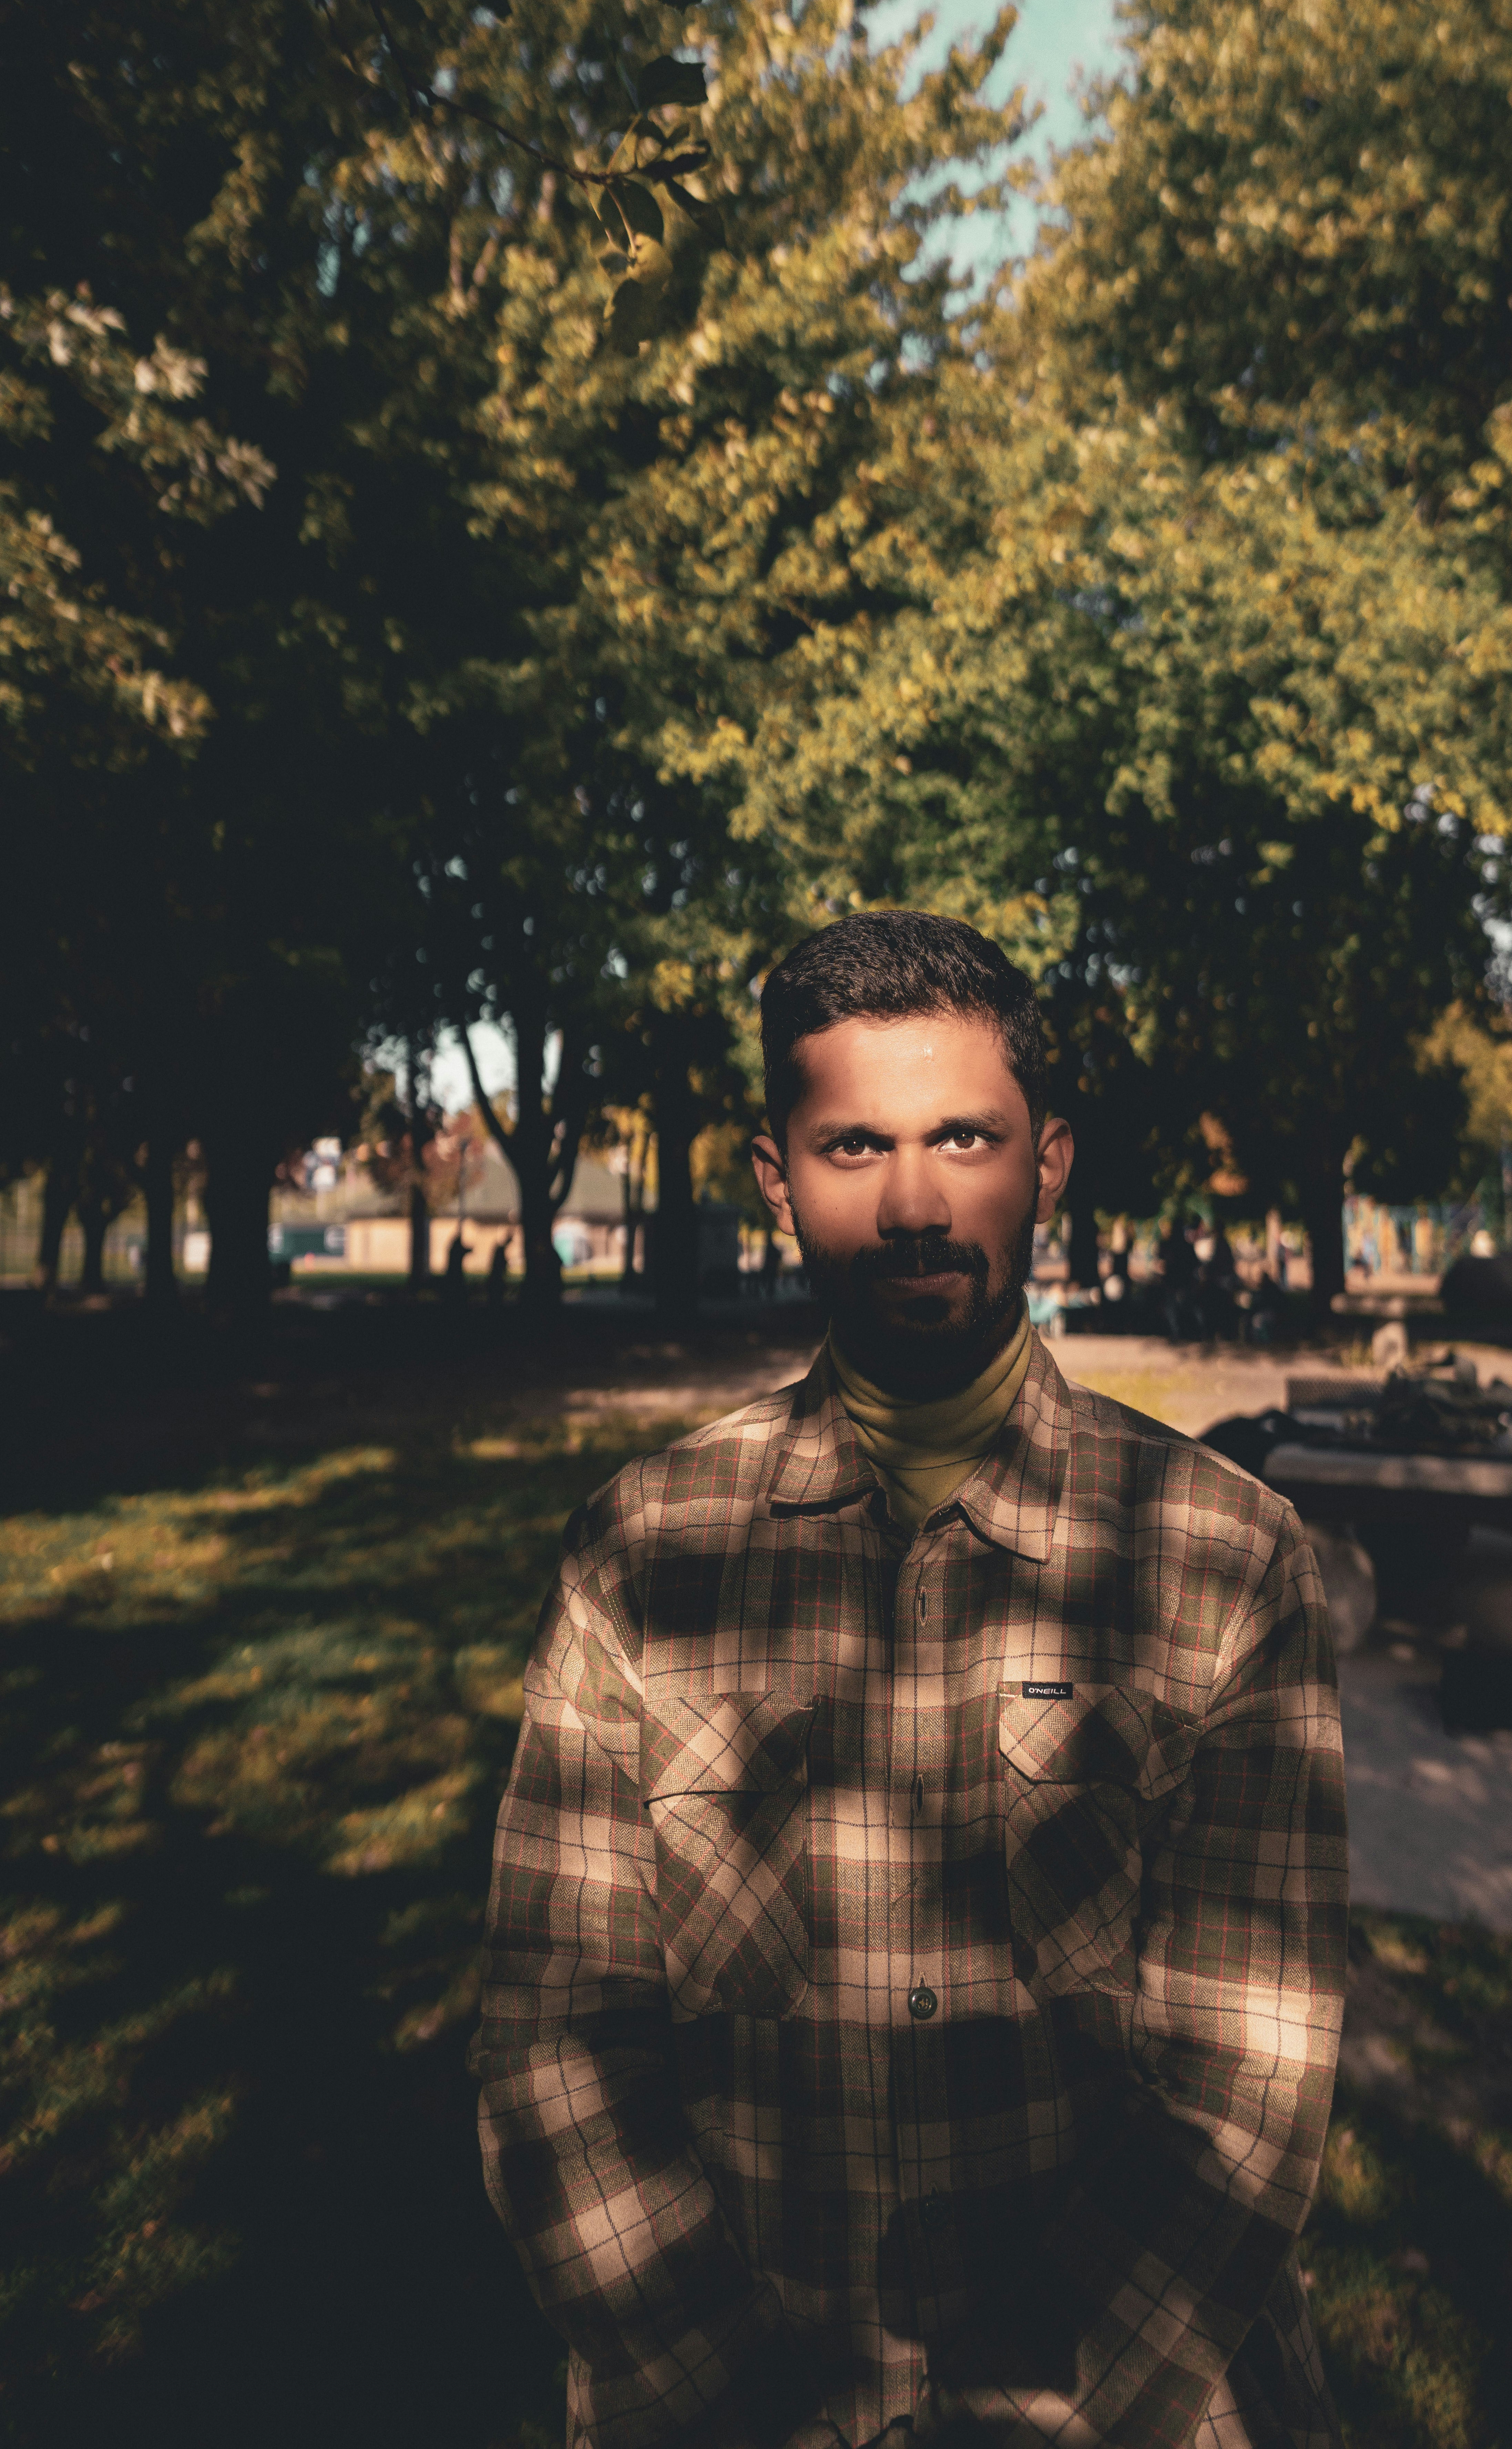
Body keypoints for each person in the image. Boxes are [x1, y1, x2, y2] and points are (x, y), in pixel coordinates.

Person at [471, 911, 1348, 2449]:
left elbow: (1247, 2072)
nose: (917, 1204)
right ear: (777, 1177)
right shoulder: (644, 1550)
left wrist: (1032, 2415)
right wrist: (744, 2404)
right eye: (856, 1146)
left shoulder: (1224, 1557)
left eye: (965, 1137)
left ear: (1047, 1161)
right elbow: (558, 2043)